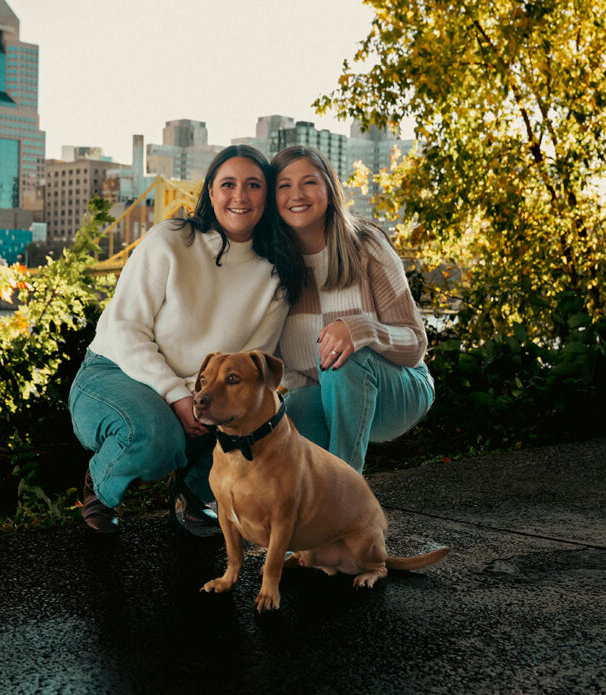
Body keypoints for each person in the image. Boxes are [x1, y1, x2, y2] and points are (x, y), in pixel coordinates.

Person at [69, 145, 305, 535]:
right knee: (152, 436)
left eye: (253, 185)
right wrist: (177, 397)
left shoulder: (276, 274)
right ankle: (101, 484)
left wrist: (195, 400)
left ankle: (196, 490)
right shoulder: (171, 240)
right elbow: (126, 329)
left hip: (199, 392)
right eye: (227, 184)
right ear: (210, 192)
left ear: (268, 196)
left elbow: (251, 361)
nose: (240, 196)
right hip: (115, 371)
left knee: (259, 410)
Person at [271, 145, 434, 474]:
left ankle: (346, 493)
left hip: (399, 388)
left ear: (330, 191)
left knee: (343, 356)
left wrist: (364, 330)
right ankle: (309, 508)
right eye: (284, 185)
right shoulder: (270, 268)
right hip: (324, 393)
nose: (297, 194)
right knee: (296, 408)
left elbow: (416, 342)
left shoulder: (366, 245)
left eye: (309, 183)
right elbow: (287, 371)